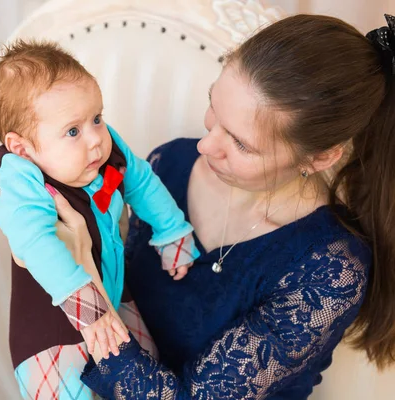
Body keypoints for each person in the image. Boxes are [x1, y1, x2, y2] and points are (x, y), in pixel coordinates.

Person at [38, 13, 395, 399]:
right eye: (214, 108)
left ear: (320, 157)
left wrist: (87, 290)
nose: (205, 146)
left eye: (241, 144)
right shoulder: (168, 165)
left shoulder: (328, 269)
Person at [0, 40, 199, 399]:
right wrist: (87, 303)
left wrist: (172, 230)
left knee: (149, 368)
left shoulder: (105, 146)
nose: (96, 140)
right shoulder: (21, 178)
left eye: (97, 118)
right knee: (69, 392)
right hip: (52, 323)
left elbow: (141, 181)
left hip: (113, 290)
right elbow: (33, 241)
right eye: (73, 131)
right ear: (22, 147)